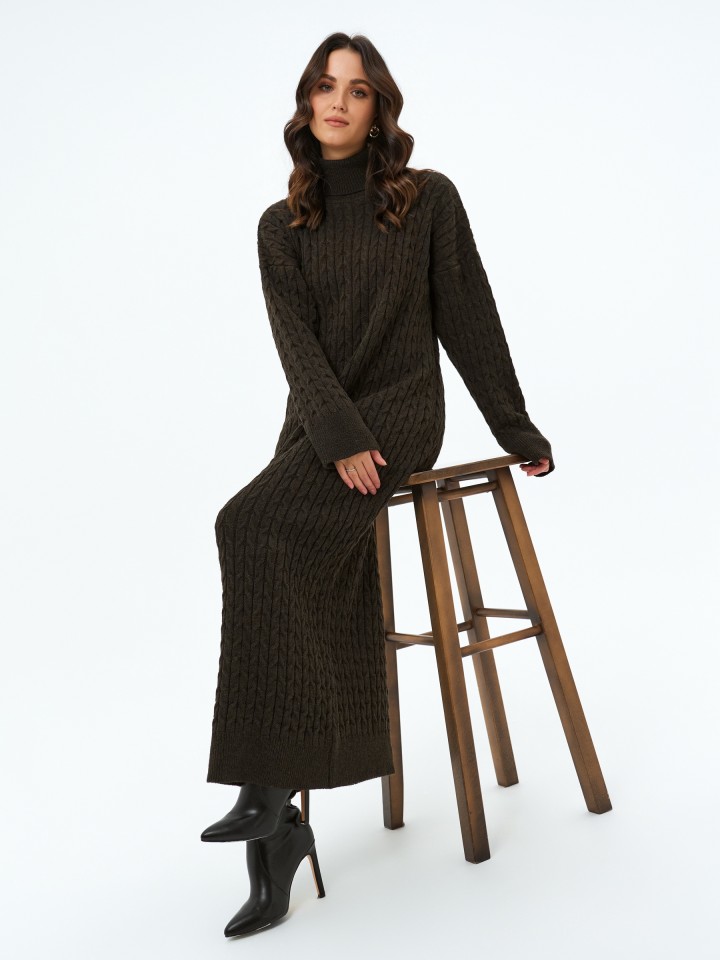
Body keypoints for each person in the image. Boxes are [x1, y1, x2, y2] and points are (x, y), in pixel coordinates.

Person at [200, 32, 554, 937]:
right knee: (260, 533)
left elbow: (470, 316)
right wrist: (335, 435)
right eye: (324, 87)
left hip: (400, 414)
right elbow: (296, 348)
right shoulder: (280, 226)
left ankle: (267, 794)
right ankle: (276, 832)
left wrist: (515, 428)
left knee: (254, 527)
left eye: (356, 90)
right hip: (323, 424)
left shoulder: (426, 200)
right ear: (305, 103)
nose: (337, 102)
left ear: (378, 108)